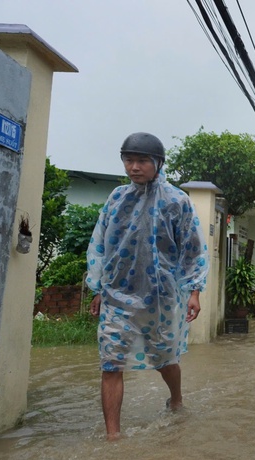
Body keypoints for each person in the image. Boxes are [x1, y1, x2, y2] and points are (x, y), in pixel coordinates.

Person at [86, 132, 209, 440]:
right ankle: (113, 436)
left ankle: (176, 399)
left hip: (162, 298)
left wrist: (194, 291)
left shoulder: (177, 201)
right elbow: (100, 243)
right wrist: (98, 288)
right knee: (111, 362)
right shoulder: (116, 198)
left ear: (158, 163)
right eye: (129, 160)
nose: (134, 167)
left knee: (164, 359)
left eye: (141, 161)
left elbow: (193, 248)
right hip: (117, 295)